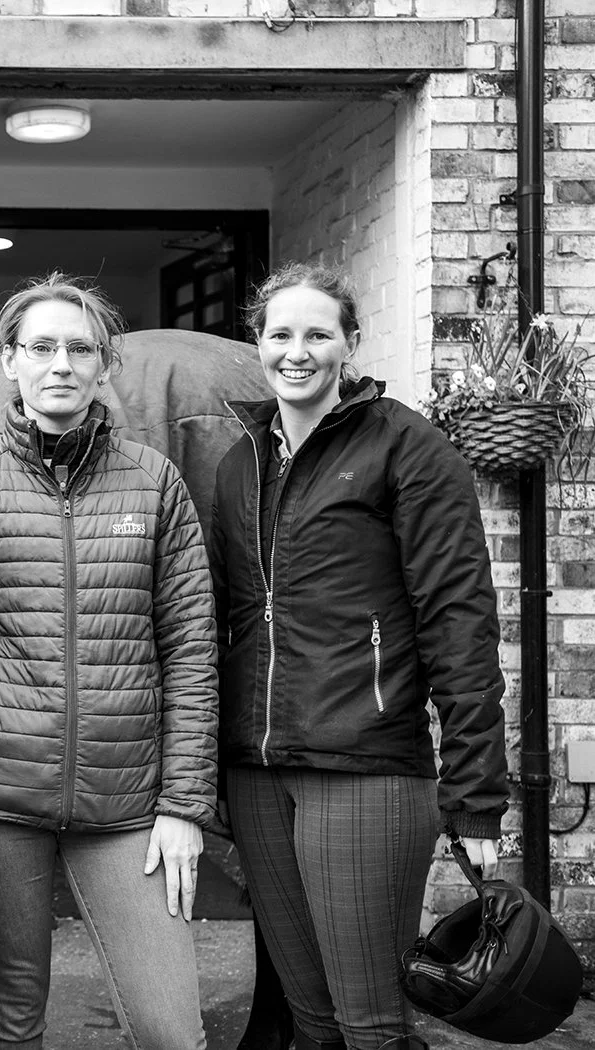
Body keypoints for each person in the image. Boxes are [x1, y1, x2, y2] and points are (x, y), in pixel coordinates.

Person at [0, 273, 218, 1050]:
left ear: (105, 366)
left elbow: (190, 650)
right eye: (40, 347)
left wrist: (184, 807)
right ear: (7, 361)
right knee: (12, 1022)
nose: (60, 364)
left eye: (79, 349)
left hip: (127, 806)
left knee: (171, 1030)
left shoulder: (155, 483)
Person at [208, 263, 508, 1050]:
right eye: (279, 334)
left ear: (349, 342)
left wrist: (476, 790)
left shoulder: (406, 446)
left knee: (371, 1024)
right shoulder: (240, 461)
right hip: (257, 772)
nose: (296, 352)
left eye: (317, 334)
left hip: (365, 763)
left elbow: (459, 618)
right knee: (309, 1020)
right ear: (257, 343)